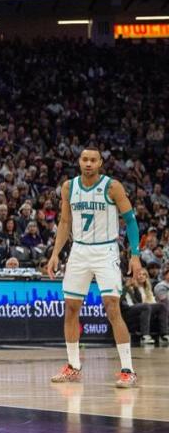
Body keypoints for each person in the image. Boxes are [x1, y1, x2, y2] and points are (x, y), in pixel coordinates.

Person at [47, 147, 145, 388]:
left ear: (100, 163)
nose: (88, 163)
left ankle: (128, 370)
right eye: (84, 159)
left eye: (93, 160)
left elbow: (131, 221)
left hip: (106, 250)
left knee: (112, 307)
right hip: (79, 250)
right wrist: (55, 253)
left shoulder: (112, 186)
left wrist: (135, 255)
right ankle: (73, 366)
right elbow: (65, 221)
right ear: (79, 162)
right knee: (71, 308)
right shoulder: (69, 187)